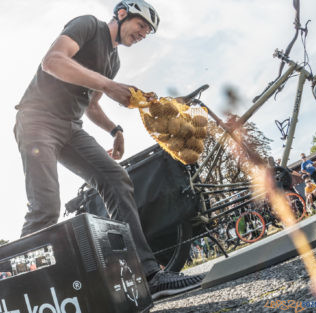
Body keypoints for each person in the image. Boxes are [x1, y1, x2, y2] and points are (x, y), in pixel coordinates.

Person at [13, 0, 203, 299]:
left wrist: (115, 130)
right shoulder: (89, 25)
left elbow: (90, 105)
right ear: (123, 13)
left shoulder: (113, 62)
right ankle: (17, 292)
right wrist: (109, 86)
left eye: (148, 32)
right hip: (37, 118)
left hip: (71, 128)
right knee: (45, 208)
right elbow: (53, 61)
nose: (143, 34)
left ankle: (148, 275)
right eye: (141, 25)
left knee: (116, 179)